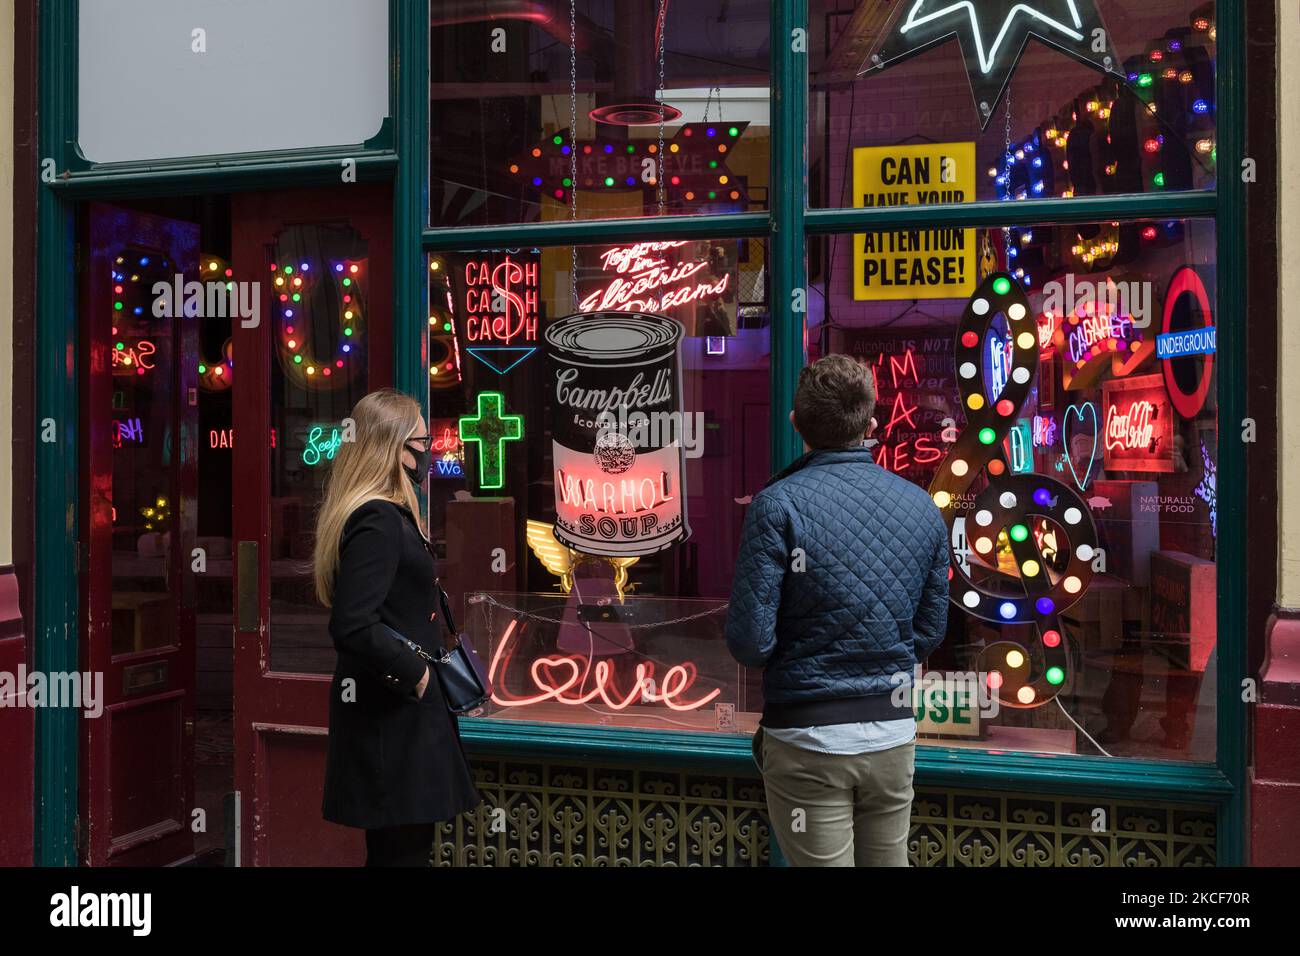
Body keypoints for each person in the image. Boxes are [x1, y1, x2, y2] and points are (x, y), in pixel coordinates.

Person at [725, 354, 949, 867]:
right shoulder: (920, 506)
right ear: (871, 425)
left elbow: (749, 644)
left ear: (795, 423)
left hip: (807, 737)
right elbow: (930, 631)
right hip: (892, 736)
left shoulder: (777, 505)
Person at [313, 388, 482, 866]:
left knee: (398, 852)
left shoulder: (385, 514)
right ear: (394, 449)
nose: (432, 452)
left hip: (395, 718)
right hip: (394, 718)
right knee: (402, 855)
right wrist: (417, 675)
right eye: (422, 441)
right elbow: (351, 624)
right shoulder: (378, 520)